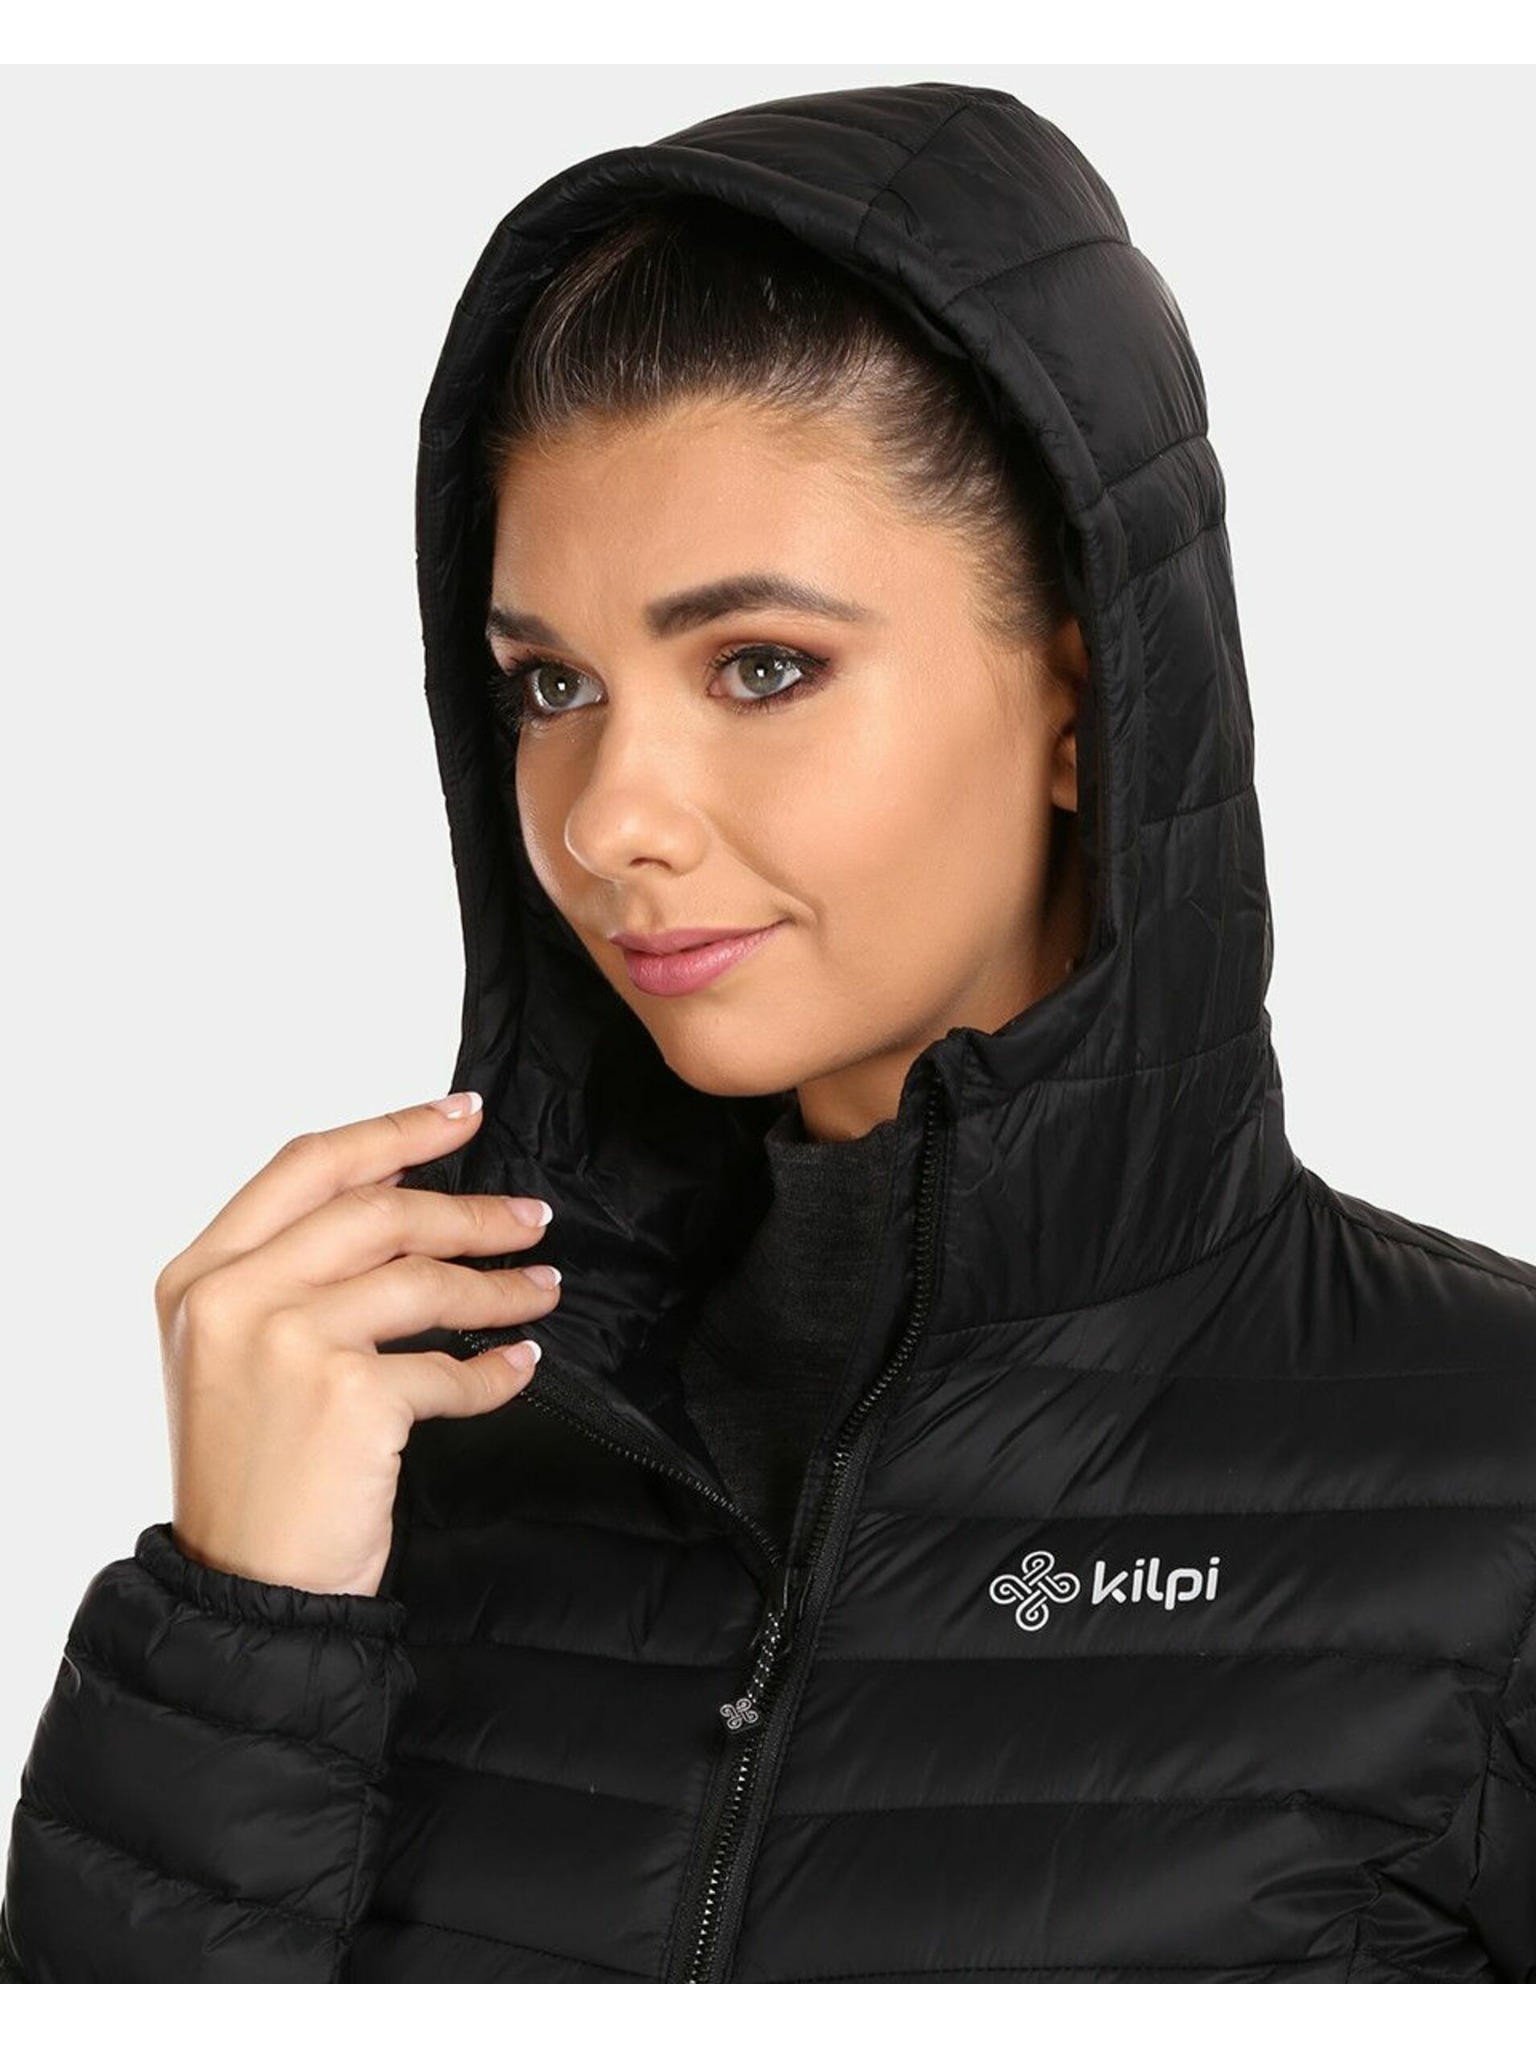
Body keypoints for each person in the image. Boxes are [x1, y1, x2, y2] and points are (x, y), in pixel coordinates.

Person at [3, 77, 1534, 1985]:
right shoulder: (401, 1463)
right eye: (550, 685)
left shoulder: (1498, 1473)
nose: (606, 819)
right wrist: (244, 1630)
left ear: (1085, 704)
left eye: (760, 666)